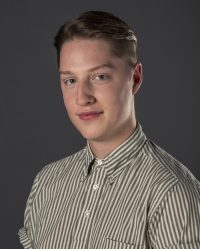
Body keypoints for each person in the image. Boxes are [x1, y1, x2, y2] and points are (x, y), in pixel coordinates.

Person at [18, 11, 200, 249]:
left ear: (134, 79)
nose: (82, 98)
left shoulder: (172, 192)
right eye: (70, 80)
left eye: (100, 76)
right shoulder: (46, 183)